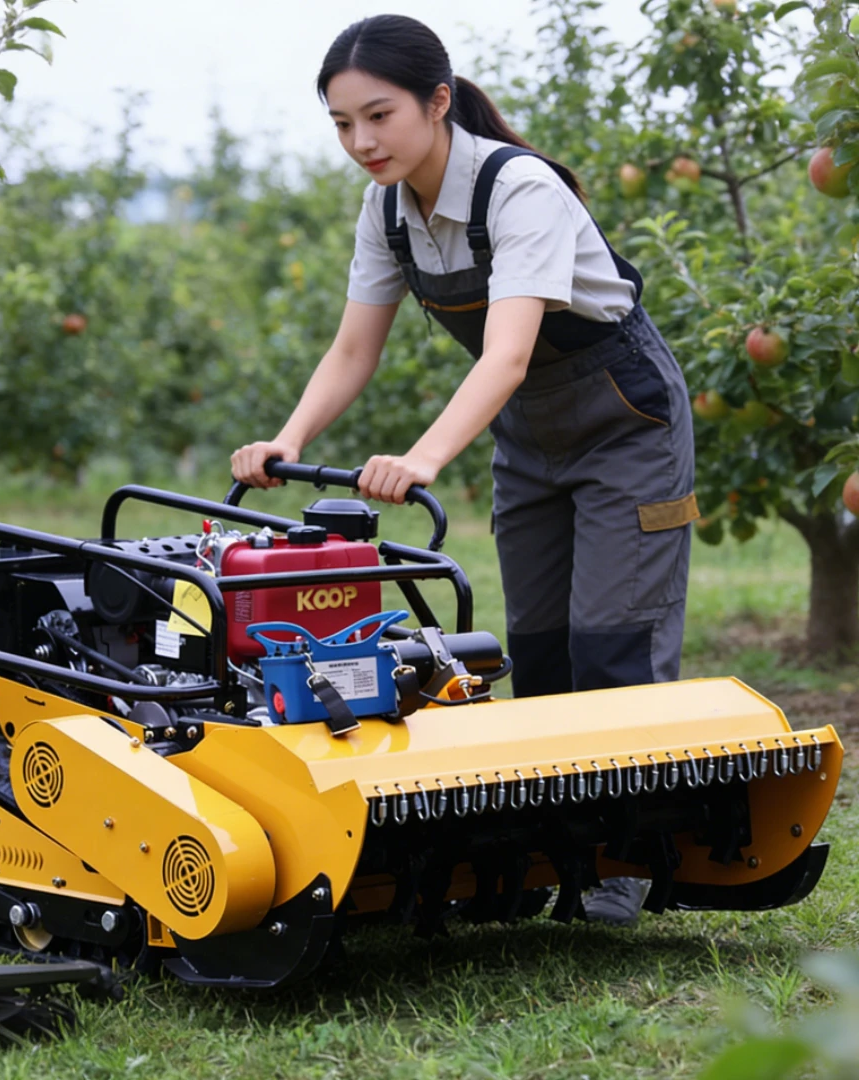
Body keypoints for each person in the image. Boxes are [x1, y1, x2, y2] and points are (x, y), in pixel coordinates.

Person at [230, 15, 697, 927]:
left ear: (438, 102)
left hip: (625, 422)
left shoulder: (518, 188)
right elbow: (354, 348)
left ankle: (629, 857)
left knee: (613, 639)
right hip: (529, 436)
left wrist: (423, 458)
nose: (362, 142)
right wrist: (284, 439)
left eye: (379, 115)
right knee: (541, 646)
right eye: (341, 124)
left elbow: (509, 353)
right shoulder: (388, 210)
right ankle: (556, 848)